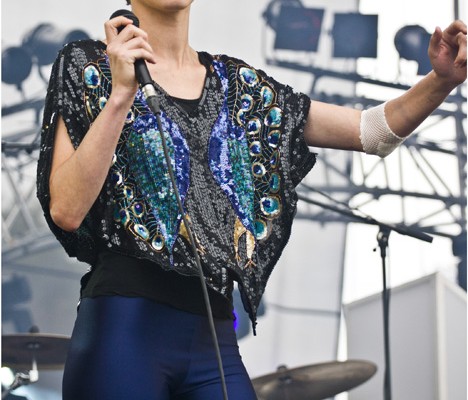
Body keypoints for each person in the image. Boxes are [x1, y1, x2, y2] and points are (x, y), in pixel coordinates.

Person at [36, 0, 466, 399]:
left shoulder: (239, 86)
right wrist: (119, 96)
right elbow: (67, 211)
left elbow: (370, 131)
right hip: (124, 326)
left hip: (214, 337)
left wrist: (441, 80)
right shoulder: (88, 64)